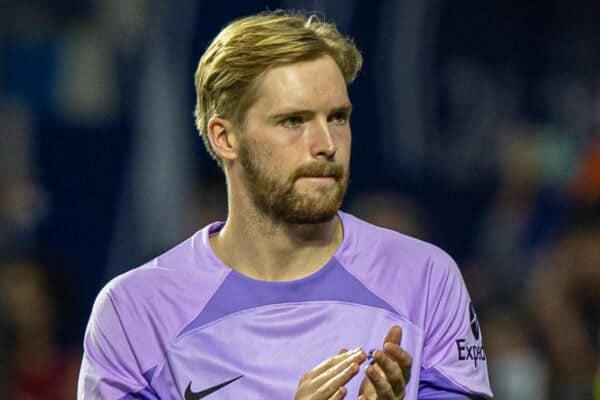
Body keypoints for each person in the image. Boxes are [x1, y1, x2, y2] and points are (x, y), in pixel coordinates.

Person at [78, 10, 493, 399]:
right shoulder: (134, 310)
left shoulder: (426, 279)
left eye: (337, 118)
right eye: (293, 121)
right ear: (225, 138)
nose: (327, 145)